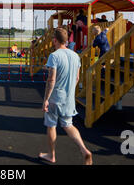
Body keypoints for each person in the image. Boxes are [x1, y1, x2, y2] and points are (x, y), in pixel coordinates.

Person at [39, 28, 92, 165]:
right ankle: (84, 149)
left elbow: (51, 80)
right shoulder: (75, 56)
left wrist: (46, 99)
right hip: (68, 98)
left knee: (51, 125)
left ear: (55, 40)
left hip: (55, 97)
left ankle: (51, 155)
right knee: (68, 125)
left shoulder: (54, 56)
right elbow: (77, 78)